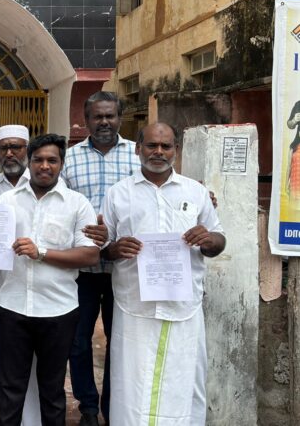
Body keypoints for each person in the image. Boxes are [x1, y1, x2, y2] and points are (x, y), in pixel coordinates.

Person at [0, 134, 101, 426]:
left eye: (52, 160)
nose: (44, 166)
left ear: (61, 164)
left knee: (52, 392)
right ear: (29, 162)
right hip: (13, 308)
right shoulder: (6, 201)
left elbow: (90, 255)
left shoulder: (77, 204)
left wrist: (41, 253)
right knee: (10, 390)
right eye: (38, 160)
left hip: (58, 310)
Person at [101, 123, 226, 425]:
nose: (158, 152)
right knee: (132, 382)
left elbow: (219, 240)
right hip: (135, 307)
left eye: (166, 146)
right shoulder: (118, 194)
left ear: (175, 150)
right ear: (138, 149)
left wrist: (208, 240)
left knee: (182, 379)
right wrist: (115, 249)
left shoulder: (195, 192)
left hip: (183, 307)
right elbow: (103, 247)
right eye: (151, 145)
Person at [60, 91, 141, 426]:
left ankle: (113, 405)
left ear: (120, 117)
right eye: (98, 116)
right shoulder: (70, 159)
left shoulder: (138, 155)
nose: (104, 122)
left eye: (110, 116)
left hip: (126, 266)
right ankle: (89, 408)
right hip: (82, 269)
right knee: (77, 341)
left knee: (119, 340)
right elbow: (59, 206)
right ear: (86, 119)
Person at [0, 125, 42, 425]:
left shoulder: (45, 182)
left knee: (38, 365)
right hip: (2, 289)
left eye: (17, 147)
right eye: (4, 147)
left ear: (27, 150)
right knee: (2, 361)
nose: (10, 153)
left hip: (43, 290)